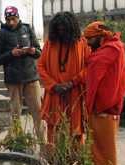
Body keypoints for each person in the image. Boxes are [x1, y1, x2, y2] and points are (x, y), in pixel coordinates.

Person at [83, 21, 125, 165]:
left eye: (90, 38)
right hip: (104, 108)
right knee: (96, 151)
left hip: (106, 109)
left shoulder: (111, 50)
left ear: (100, 37)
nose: (87, 42)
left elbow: (108, 83)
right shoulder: (109, 48)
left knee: (105, 153)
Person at [0, 6, 44, 141]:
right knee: (16, 112)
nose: (11, 22)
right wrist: (11, 54)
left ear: (18, 17)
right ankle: (19, 142)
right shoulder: (1, 34)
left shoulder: (27, 30)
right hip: (13, 79)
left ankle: (43, 144)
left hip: (31, 76)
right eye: (8, 20)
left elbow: (39, 51)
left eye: (13, 19)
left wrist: (33, 52)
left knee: (38, 111)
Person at [37, 12, 91, 145]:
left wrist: (72, 82)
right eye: (59, 30)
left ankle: (74, 163)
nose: (61, 33)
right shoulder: (50, 43)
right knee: (54, 131)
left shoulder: (83, 43)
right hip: (55, 94)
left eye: (64, 30)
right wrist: (54, 85)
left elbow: (90, 68)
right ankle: (55, 163)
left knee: (75, 131)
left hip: (75, 95)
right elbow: (41, 66)